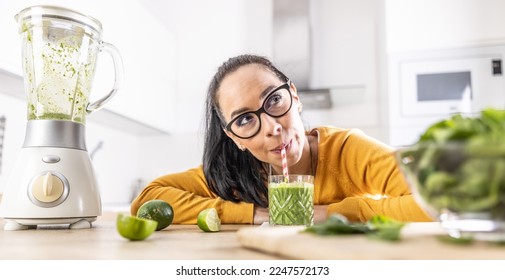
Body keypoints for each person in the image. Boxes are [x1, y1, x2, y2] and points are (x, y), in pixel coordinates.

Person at [130, 54, 432, 224]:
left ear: (295, 97)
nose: (272, 128)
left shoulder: (345, 151)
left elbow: (435, 199)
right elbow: (148, 199)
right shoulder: (234, 175)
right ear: (235, 138)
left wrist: (335, 212)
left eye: (274, 100)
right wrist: (253, 213)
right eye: (245, 119)